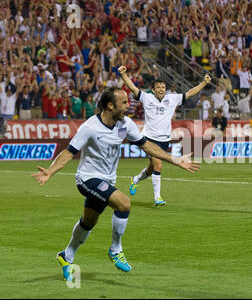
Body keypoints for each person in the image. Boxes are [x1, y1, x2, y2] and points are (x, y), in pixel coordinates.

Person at [31, 87, 200, 282]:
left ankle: (66, 256)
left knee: (89, 222)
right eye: (125, 103)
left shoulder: (125, 125)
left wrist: (175, 160)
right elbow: (69, 152)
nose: (129, 106)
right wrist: (50, 171)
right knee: (124, 203)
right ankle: (115, 249)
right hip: (87, 179)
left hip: (106, 180)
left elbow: (146, 145)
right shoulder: (90, 127)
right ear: (111, 105)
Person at [118, 65, 210, 206]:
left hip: (165, 139)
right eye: (158, 87)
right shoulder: (147, 98)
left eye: (163, 87)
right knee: (158, 165)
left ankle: (135, 179)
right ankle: (158, 198)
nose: (161, 89)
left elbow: (190, 93)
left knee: (151, 169)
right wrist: (124, 75)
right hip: (149, 138)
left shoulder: (172, 99)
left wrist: (204, 83)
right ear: (153, 90)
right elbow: (133, 89)